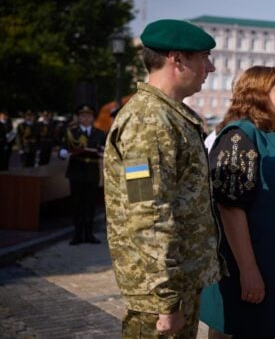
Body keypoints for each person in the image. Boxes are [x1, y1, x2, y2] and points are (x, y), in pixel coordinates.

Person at [103, 19, 223, 338]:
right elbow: (148, 215)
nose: (209, 68)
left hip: (179, 283)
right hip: (162, 294)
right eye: (204, 57)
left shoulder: (170, 115)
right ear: (177, 59)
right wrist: (165, 301)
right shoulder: (149, 123)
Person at [203, 66, 275, 338]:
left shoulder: (274, 134)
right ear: (257, 94)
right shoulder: (239, 135)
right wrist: (249, 270)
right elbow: (230, 208)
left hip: (274, 260)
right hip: (249, 263)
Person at [58, 104, 106, 245]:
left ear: (93, 118)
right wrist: (64, 153)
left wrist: (100, 152)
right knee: (77, 204)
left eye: (88, 116)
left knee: (90, 204)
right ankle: (77, 235)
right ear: (78, 117)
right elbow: (63, 149)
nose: (85, 118)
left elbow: (104, 151)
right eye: (82, 115)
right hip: (76, 172)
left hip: (91, 172)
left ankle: (89, 234)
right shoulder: (71, 132)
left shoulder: (100, 133)